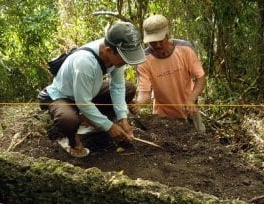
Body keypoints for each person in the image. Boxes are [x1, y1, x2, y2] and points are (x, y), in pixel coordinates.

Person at [38, 22, 146, 157]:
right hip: (64, 96)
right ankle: (72, 141)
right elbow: (83, 102)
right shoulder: (85, 62)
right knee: (68, 119)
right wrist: (109, 126)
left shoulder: (115, 51)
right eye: (124, 60)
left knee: (128, 88)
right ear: (108, 51)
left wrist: (122, 119)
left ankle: (90, 119)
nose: (125, 63)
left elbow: (117, 87)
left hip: (87, 91)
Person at [133, 14, 206, 126]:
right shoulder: (144, 61)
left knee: (200, 140)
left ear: (167, 35)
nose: (157, 45)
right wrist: (138, 104)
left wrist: (192, 98)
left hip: (189, 111)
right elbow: (145, 93)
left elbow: (200, 77)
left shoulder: (185, 49)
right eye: (152, 42)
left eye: (160, 41)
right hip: (163, 117)